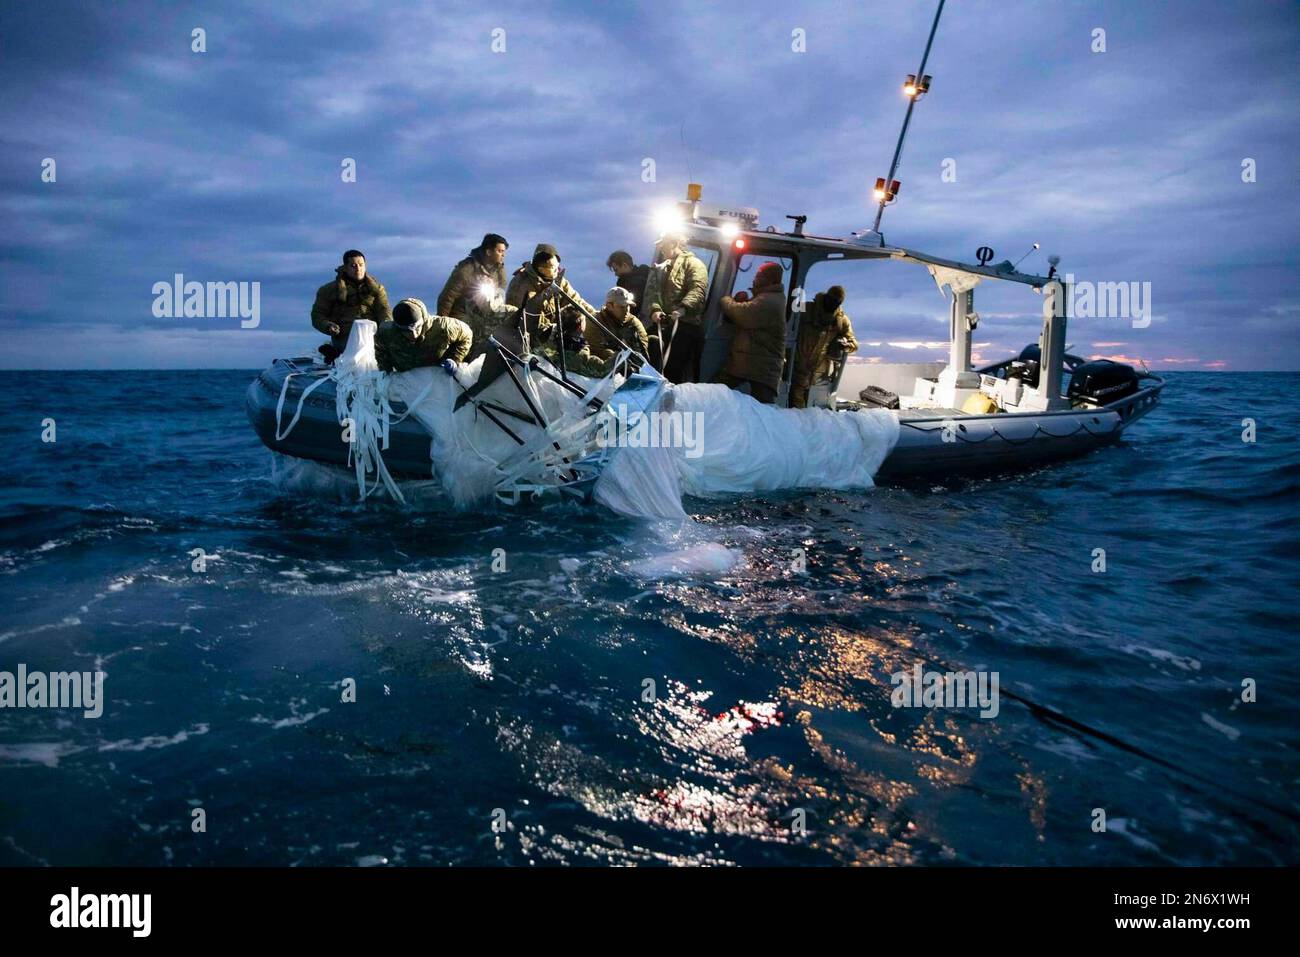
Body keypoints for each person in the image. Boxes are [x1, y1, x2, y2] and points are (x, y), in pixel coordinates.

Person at [716, 261, 787, 404]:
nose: (754, 279)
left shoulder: (770, 301)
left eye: (759, 276)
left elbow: (743, 314)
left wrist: (726, 299)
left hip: (760, 369)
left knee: (761, 412)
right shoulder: (766, 298)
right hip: (754, 365)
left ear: (770, 280)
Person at [642, 233, 708, 383]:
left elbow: (698, 289)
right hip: (661, 325)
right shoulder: (660, 268)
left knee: (674, 369)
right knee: (648, 360)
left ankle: (671, 402)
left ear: (673, 243)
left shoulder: (695, 264)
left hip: (685, 326)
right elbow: (652, 292)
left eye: (663, 244)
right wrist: (655, 310)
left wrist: (683, 308)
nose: (660, 247)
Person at [505, 243, 595, 343]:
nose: (558, 270)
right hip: (528, 340)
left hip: (555, 336)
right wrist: (555, 331)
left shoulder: (558, 281)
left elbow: (576, 301)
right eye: (553, 267)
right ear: (541, 269)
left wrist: (595, 316)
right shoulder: (520, 284)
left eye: (558, 265)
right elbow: (522, 320)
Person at [311, 250, 391, 361]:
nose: (358, 268)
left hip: (372, 337)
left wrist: (386, 326)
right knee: (353, 358)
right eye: (353, 265)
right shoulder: (328, 290)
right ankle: (335, 354)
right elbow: (317, 315)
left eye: (361, 265)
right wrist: (327, 326)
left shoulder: (377, 289)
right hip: (345, 337)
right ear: (345, 267)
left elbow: (384, 312)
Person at [790, 285, 859, 408]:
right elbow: (788, 324)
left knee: (813, 411)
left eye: (836, 302)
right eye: (830, 300)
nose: (832, 304)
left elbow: (853, 344)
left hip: (818, 375)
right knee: (795, 406)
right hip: (795, 368)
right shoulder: (806, 308)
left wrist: (845, 344)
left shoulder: (841, 320)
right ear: (826, 297)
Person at [374, 298, 472, 374]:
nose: (414, 334)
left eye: (417, 327)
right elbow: (380, 350)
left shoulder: (444, 327)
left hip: (438, 378)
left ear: (423, 321)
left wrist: (454, 359)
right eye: (407, 331)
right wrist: (386, 372)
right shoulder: (387, 333)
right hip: (407, 380)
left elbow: (466, 335)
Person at [436, 233, 509, 320]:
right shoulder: (467, 269)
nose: (503, 255)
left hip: (485, 320)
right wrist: (442, 323)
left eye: (504, 251)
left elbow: (500, 295)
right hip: (462, 318)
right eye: (500, 251)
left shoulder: (499, 271)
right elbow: (448, 296)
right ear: (489, 252)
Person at [535, 309, 612, 378]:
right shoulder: (578, 356)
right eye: (584, 320)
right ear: (579, 327)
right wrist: (619, 353)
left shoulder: (551, 338)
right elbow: (603, 370)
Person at [586, 287, 649, 364]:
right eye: (622, 307)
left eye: (628, 306)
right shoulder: (595, 320)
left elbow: (643, 346)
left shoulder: (633, 322)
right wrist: (619, 357)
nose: (626, 310)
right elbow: (596, 348)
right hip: (605, 367)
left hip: (632, 365)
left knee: (654, 340)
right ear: (609, 306)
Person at [606, 250, 650, 317]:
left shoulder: (627, 283)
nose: (616, 274)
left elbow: (628, 308)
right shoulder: (646, 273)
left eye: (616, 270)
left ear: (624, 265)